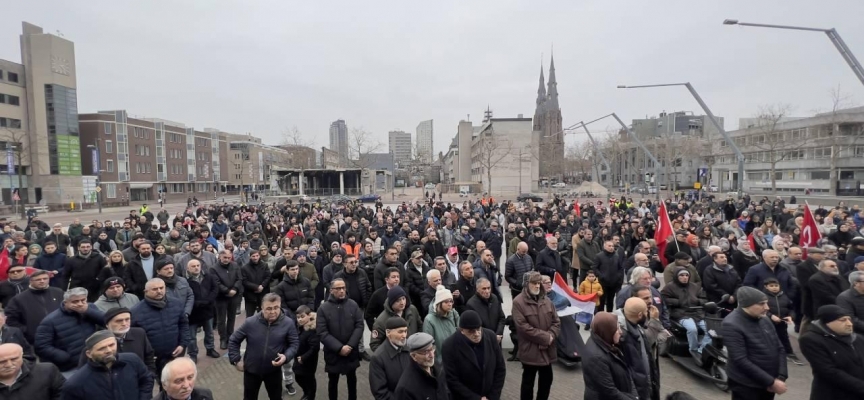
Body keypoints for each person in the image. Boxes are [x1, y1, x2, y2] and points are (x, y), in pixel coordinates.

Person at [228, 293, 299, 400]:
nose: (273, 312)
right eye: (269, 308)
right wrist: (236, 360)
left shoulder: (288, 323)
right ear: (262, 308)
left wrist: (286, 357)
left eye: (276, 308)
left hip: (273, 371)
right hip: (251, 371)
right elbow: (234, 340)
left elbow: (294, 343)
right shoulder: (250, 322)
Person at [722, 286, 788, 399]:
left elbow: (780, 348)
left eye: (766, 303)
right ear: (747, 305)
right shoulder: (731, 324)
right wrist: (772, 382)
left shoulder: (764, 319)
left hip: (768, 383)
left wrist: (781, 376)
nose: (767, 307)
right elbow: (740, 360)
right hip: (747, 385)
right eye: (762, 304)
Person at [131, 278, 190, 389]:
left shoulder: (176, 303)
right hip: (154, 358)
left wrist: (182, 344)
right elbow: (135, 338)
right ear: (146, 291)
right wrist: (146, 355)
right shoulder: (136, 312)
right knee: (163, 384)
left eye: (161, 288)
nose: (159, 291)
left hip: (176, 353)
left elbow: (184, 324)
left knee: (179, 383)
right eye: (155, 289)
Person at [61, 330, 154, 399]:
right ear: (89, 354)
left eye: (111, 345)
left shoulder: (132, 360)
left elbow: (146, 380)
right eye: (102, 348)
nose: (109, 351)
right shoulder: (76, 383)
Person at [799, 304, 864, 400]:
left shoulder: (858, 338)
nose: (849, 324)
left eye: (849, 319)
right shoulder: (810, 339)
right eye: (842, 320)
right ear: (828, 322)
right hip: (832, 394)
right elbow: (829, 371)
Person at [512, 271, 560, 400]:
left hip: (547, 350)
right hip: (530, 350)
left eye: (539, 283)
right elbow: (523, 328)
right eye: (534, 283)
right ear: (527, 284)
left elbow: (556, 321)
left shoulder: (547, 300)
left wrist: (551, 335)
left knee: (546, 381)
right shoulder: (518, 302)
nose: (538, 286)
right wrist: (546, 338)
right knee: (528, 383)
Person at [34, 287, 105, 374]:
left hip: (93, 359)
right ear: (65, 303)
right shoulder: (50, 320)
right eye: (75, 301)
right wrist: (63, 357)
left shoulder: (90, 308)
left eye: (83, 300)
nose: (80, 304)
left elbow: (106, 321)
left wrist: (88, 311)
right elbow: (41, 346)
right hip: (71, 366)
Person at [442, 310, 506, 400]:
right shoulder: (449, 345)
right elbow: (452, 379)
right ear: (462, 331)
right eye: (471, 331)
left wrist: (493, 396)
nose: (476, 334)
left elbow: (500, 368)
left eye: (478, 329)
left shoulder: (491, 337)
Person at [317, 278, 364, 400]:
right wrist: (339, 348)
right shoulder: (323, 309)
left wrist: (350, 345)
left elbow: (359, 325)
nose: (342, 291)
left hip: (351, 351)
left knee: (352, 380)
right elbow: (322, 332)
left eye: (343, 288)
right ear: (331, 290)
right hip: (333, 353)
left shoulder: (353, 305)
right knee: (333, 381)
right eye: (338, 289)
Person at [582, 311, 639, 400]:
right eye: (616, 329)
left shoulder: (608, 343)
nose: (620, 332)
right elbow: (609, 391)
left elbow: (626, 371)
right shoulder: (597, 358)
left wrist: (634, 395)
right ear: (607, 330)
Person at [661, 268, 711, 362]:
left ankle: (701, 350)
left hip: (697, 313)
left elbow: (704, 298)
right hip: (681, 314)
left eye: (686, 275)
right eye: (682, 275)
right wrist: (678, 302)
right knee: (692, 329)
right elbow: (664, 299)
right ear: (677, 276)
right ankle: (693, 349)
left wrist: (698, 301)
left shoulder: (694, 286)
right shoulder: (670, 287)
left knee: (711, 330)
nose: (684, 277)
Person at [616, 297, 660, 400]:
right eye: (646, 311)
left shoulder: (635, 325)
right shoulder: (624, 337)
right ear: (639, 315)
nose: (647, 313)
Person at [4, 270, 63, 344]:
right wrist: (27, 331)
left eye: (45, 279)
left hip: (59, 335)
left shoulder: (58, 292)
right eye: (38, 279)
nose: (42, 281)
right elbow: (11, 319)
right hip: (34, 339)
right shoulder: (19, 298)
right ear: (30, 281)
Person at [393, 332, 449, 400]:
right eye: (426, 352)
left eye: (432, 349)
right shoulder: (405, 389)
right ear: (414, 356)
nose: (432, 355)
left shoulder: (437, 368)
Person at [368, 316, 412, 400]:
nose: (404, 335)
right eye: (400, 332)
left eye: (405, 331)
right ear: (388, 333)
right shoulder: (378, 358)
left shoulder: (409, 350)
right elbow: (380, 392)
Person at [185, 259, 220, 362]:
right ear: (188, 268)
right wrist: (196, 303)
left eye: (198, 265)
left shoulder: (208, 277)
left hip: (207, 310)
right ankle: (193, 354)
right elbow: (185, 295)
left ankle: (210, 349)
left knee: (209, 332)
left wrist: (208, 301)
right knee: (191, 337)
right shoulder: (184, 281)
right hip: (193, 312)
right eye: (193, 266)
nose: (196, 268)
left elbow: (215, 289)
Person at [369, 285, 421, 352]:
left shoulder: (412, 310)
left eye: (403, 298)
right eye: (398, 300)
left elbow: (420, 327)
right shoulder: (381, 320)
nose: (402, 303)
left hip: (413, 352)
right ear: (391, 302)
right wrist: (388, 357)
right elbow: (374, 344)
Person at [762, 278, 801, 365]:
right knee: (769, 337)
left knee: (784, 337)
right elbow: (762, 309)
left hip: (782, 321)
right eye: (771, 286)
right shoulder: (763, 297)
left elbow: (790, 308)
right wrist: (771, 316)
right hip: (768, 322)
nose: (774, 288)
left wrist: (790, 316)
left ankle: (789, 353)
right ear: (766, 287)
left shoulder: (784, 296)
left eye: (776, 286)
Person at [212, 249, 243, 350]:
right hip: (221, 297)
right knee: (221, 320)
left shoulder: (235, 265)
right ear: (220, 257)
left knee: (232, 318)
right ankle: (223, 339)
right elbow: (216, 282)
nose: (227, 260)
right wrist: (227, 291)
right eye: (225, 257)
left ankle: (230, 337)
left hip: (233, 296)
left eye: (229, 258)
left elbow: (239, 279)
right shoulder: (214, 268)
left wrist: (234, 289)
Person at [422, 285, 460, 366]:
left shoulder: (454, 314)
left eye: (451, 301)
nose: (450, 304)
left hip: (456, 359)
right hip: (440, 363)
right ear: (439, 303)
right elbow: (429, 345)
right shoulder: (429, 320)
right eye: (446, 302)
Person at [465, 277, 505, 342]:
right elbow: (475, 326)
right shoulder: (471, 304)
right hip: (483, 341)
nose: (487, 291)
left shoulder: (494, 298)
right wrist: (492, 337)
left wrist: (498, 334)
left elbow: (502, 318)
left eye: (488, 288)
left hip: (497, 339)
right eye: (484, 288)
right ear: (477, 289)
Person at [293, 306, 319, 400]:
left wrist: (303, 357)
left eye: (302, 316)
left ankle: (310, 396)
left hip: (308, 361)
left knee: (309, 380)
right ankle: (306, 392)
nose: (299, 319)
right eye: (298, 317)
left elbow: (315, 348)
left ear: (309, 315)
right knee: (298, 377)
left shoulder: (312, 330)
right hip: (298, 358)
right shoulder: (301, 328)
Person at [594, 240, 624, 313]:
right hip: (603, 283)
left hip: (613, 282)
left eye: (612, 246)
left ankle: (609, 314)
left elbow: (620, 268)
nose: (611, 248)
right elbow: (595, 268)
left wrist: (618, 276)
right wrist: (601, 276)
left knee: (610, 300)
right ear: (605, 246)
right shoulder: (599, 256)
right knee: (602, 300)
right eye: (609, 246)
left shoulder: (616, 256)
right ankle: (600, 315)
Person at [241, 250, 272, 318]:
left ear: (259, 256)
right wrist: (256, 287)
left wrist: (262, 286)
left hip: (263, 293)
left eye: (257, 256)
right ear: (250, 257)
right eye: (253, 256)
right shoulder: (245, 268)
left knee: (264, 315)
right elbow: (244, 281)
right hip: (250, 295)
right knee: (249, 316)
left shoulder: (264, 265)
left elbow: (268, 276)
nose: (255, 258)